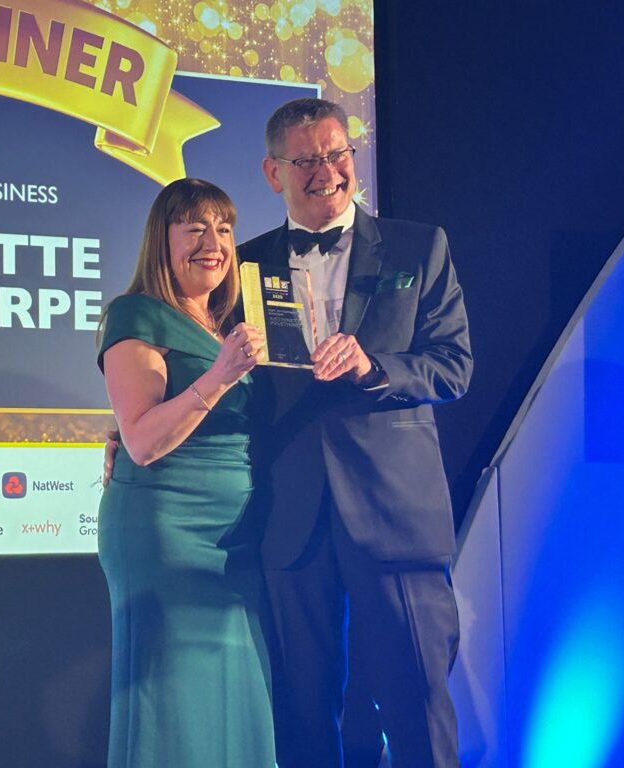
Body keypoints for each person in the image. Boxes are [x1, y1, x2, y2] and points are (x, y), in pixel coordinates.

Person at [241, 97, 473, 767]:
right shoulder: (246, 265)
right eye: (305, 159)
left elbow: (454, 366)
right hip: (293, 520)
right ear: (272, 171)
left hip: (394, 515)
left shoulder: (417, 246)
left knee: (416, 705)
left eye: (337, 154)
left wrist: (375, 367)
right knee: (304, 713)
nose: (326, 171)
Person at [96, 178, 276, 767]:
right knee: (172, 703)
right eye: (194, 227)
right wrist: (221, 374)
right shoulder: (137, 313)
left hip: (237, 539)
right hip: (168, 531)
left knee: (236, 696)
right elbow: (143, 440)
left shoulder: (228, 326)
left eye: (223, 228)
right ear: (161, 238)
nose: (213, 242)